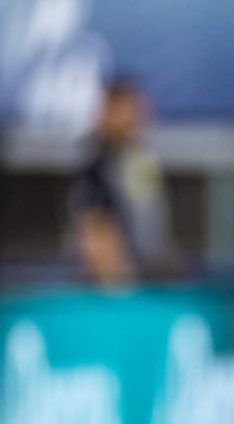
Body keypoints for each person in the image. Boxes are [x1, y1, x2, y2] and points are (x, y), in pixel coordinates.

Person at [66, 75, 180, 286]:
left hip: (152, 283)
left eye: (135, 111)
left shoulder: (142, 159)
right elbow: (94, 234)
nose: (132, 120)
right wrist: (117, 280)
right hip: (116, 289)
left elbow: (155, 231)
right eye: (121, 111)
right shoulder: (95, 170)